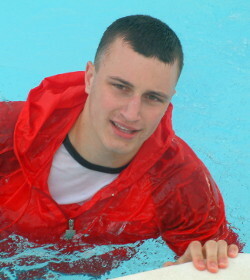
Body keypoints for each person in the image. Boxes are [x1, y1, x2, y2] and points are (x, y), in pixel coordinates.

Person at [0, 15, 243, 274]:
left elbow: (228, 264)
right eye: (120, 87)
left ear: (169, 101)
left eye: (153, 97)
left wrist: (199, 269)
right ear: (90, 77)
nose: (131, 114)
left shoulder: (179, 183)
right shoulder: (8, 134)